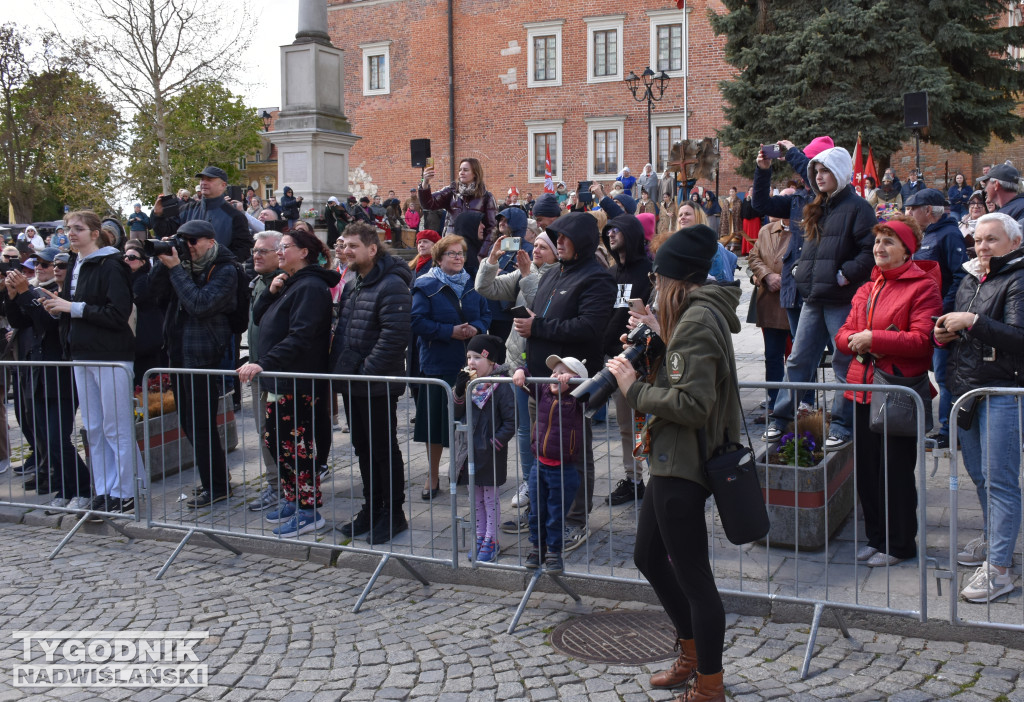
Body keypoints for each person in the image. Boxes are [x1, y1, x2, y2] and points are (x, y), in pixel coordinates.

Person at [605, 224, 740, 702]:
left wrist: (632, 387)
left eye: (659, 280)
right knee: (647, 557)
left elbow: (694, 404)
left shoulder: (698, 321)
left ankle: (709, 684)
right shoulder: (691, 317)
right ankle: (690, 654)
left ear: (678, 280)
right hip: (670, 458)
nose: (654, 287)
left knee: (694, 578)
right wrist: (659, 339)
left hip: (684, 461)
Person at [836, 215, 942, 567]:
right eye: (877, 242)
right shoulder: (867, 287)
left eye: (888, 242)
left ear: (906, 250)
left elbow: (922, 341)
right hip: (861, 389)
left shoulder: (923, 287)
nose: (879, 248)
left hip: (896, 391)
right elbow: (843, 334)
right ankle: (876, 538)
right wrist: (859, 341)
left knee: (895, 472)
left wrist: (873, 339)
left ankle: (899, 544)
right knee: (866, 472)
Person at [758, 145, 876, 450]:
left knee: (844, 363)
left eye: (825, 171)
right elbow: (807, 246)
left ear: (839, 173)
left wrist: (845, 274)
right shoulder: (816, 205)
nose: (819, 177)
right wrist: (798, 270)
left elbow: (869, 251)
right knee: (799, 360)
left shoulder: (858, 208)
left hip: (842, 300)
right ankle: (781, 418)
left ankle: (841, 424)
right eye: (816, 171)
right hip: (812, 297)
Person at [513, 212, 616, 552]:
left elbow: (590, 328)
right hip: (540, 382)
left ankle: (574, 519)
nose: (558, 241)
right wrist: (531, 326)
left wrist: (538, 328)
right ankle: (542, 512)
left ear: (583, 241)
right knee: (541, 449)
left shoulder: (598, 279)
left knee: (573, 452)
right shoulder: (552, 272)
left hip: (571, 386)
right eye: (555, 235)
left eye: (565, 236)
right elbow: (544, 319)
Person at [935, 212, 1024, 603]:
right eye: (979, 239)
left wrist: (971, 320)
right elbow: (958, 332)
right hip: (966, 389)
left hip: (1002, 391)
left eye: (992, 240)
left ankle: (1001, 569)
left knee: (1000, 479)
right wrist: (942, 333)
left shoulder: (1018, 277)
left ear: (1014, 243)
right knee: (980, 476)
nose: (982, 247)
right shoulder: (972, 276)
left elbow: (1019, 337)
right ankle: (993, 542)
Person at [238, 229, 340, 537]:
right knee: (277, 442)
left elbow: (302, 335)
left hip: (298, 381)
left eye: (285, 247)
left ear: (304, 252)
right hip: (280, 379)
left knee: (297, 447)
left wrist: (265, 361)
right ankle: (293, 499)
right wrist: (271, 291)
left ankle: (309, 510)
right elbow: (257, 318)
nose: (279, 252)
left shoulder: (309, 286)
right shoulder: (288, 282)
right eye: (279, 247)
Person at [41, 210, 140, 516]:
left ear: (95, 233)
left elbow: (117, 313)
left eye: (78, 229)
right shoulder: (74, 262)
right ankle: (104, 489)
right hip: (81, 353)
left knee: (115, 427)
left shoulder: (111, 264)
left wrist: (72, 307)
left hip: (110, 355)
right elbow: (78, 309)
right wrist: (59, 309)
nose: (71, 233)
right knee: (94, 428)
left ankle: (125, 491)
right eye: (68, 228)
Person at [331, 222, 413, 545]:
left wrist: (366, 371)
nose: (347, 251)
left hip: (376, 384)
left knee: (383, 450)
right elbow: (345, 328)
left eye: (353, 246)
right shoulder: (354, 280)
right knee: (363, 449)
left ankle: (393, 513)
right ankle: (373, 507)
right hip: (354, 382)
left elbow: (394, 337)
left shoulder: (391, 284)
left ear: (372, 249)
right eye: (344, 245)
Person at [149, 219, 238, 508]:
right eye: (181, 240)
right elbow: (151, 293)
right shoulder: (183, 268)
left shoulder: (224, 269)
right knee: (189, 422)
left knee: (202, 424)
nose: (187, 247)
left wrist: (176, 270)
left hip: (203, 356)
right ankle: (214, 479)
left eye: (192, 241)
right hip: (178, 354)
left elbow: (199, 304)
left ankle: (218, 485)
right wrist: (165, 264)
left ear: (210, 242)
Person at [476, 231, 559, 514]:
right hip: (518, 362)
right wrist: (491, 260)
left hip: (545, 366)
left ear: (556, 252)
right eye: (534, 245)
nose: (535, 250)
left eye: (543, 247)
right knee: (525, 429)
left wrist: (526, 273)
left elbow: (542, 306)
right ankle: (528, 481)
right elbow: (485, 288)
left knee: (547, 429)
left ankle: (547, 483)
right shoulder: (527, 270)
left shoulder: (558, 274)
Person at [5, 248, 91, 509]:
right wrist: (11, 296)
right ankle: (66, 489)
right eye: (44, 264)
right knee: (42, 436)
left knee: (57, 437)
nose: (49, 268)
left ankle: (83, 489)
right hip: (39, 372)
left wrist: (25, 292)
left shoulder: (68, 294)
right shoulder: (36, 291)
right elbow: (19, 320)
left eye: (57, 265)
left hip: (61, 373)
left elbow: (50, 323)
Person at [411, 234, 491, 500]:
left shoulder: (472, 283)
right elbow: (417, 322)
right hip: (437, 364)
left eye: (461, 253)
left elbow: (485, 314)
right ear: (439, 257)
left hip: (470, 365)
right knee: (435, 425)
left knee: (472, 422)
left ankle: (469, 472)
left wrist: (475, 328)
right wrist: (449, 331)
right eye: (452, 254)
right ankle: (432, 475)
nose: (458, 258)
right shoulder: (425, 284)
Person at [904, 188, 969, 449]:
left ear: (928, 210)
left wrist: (941, 310)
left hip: (940, 320)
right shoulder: (926, 235)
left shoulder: (949, 234)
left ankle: (949, 431)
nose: (909, 213)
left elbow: (959, 276)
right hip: (923, 318)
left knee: (943, 375)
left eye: (912, 208)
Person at [516, 354, 587, 574]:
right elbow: (527, 378)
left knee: (557, 513)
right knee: (536, 511)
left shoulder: (577, 400)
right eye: (554, 373)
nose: (556, 377)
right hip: (540, 465)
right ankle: (538, 548)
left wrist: (573, 385)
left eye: (563, 373)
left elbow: (594, 390)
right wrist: (520, 371)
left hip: (563, 469)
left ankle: (554, 551)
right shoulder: (544, 392)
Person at [600, 214, 653, 505]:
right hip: (616, 358)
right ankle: (634, 479)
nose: (609, 236)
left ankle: (659, 478)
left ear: (631, 234)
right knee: (625, 424)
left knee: (646, 421)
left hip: (642, 359)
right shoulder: (614, 272)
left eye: (615, 231)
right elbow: (614, 313)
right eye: (607, 232)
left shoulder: (648, 271)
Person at [453, 334, 515, 563]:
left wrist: (494, 443)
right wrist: (459, 391)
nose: (471, 362)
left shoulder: (502, 386)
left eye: (477, 357)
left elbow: (511, 422)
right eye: (469, 357)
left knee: (490, 499)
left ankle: (492, 539)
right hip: (469, 451)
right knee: (474, 498)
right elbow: (456, 412)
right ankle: (479, 537)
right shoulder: (470, 384)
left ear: (491, 362)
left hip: (490, 453)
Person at [244, 231, 285, 513]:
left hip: (279, 372)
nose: (256, 255)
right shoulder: (259, 281)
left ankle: (284, 486)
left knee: (278, 432)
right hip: (259, 368)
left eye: (263, 251)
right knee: (264, 431)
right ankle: (276, 484)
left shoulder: (284, 283)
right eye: (255, 251)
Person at [150, 165, 253, 261]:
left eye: (209, 179)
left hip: (217, 275)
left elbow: (243, 249)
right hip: (187, 272)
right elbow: (164, 231)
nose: (204, 183)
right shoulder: (186, 209)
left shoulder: (234, 215)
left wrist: (220, 263)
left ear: (223, 185)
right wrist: (158, 215)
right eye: (202, 179)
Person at [747, 217, 794, 413]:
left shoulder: (808, 227)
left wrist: (788, 278)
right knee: (772, 355)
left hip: (796, 302)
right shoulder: (766, 230)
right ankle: (775, 401)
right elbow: (754, 256)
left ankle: (803, 402)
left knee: (799, 356)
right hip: (771, 301)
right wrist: (766, 275)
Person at [419, 158, 497, 260]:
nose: (461, 173)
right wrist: (425, 182)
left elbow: (492, 228)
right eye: (460, 170)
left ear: (475, 173)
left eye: (466, 170)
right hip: (451, 246)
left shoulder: (486, 197)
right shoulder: (451, 192)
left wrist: (482, 254)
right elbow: (428, 204)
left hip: (474, 250)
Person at [123, 240, 165, 387]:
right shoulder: (124, 280)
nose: (127, 259)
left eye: (132, 257)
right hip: (132, 338)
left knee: (145, 381)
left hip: (145, 336)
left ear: (142, 262)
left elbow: (133, 300)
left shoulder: (144, 279)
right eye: (125, 257)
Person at [979, 163, 1024, 228]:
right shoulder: (1017, 207)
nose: (985, 190)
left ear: (996, 185)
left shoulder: (1016, 212)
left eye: (986, 184)